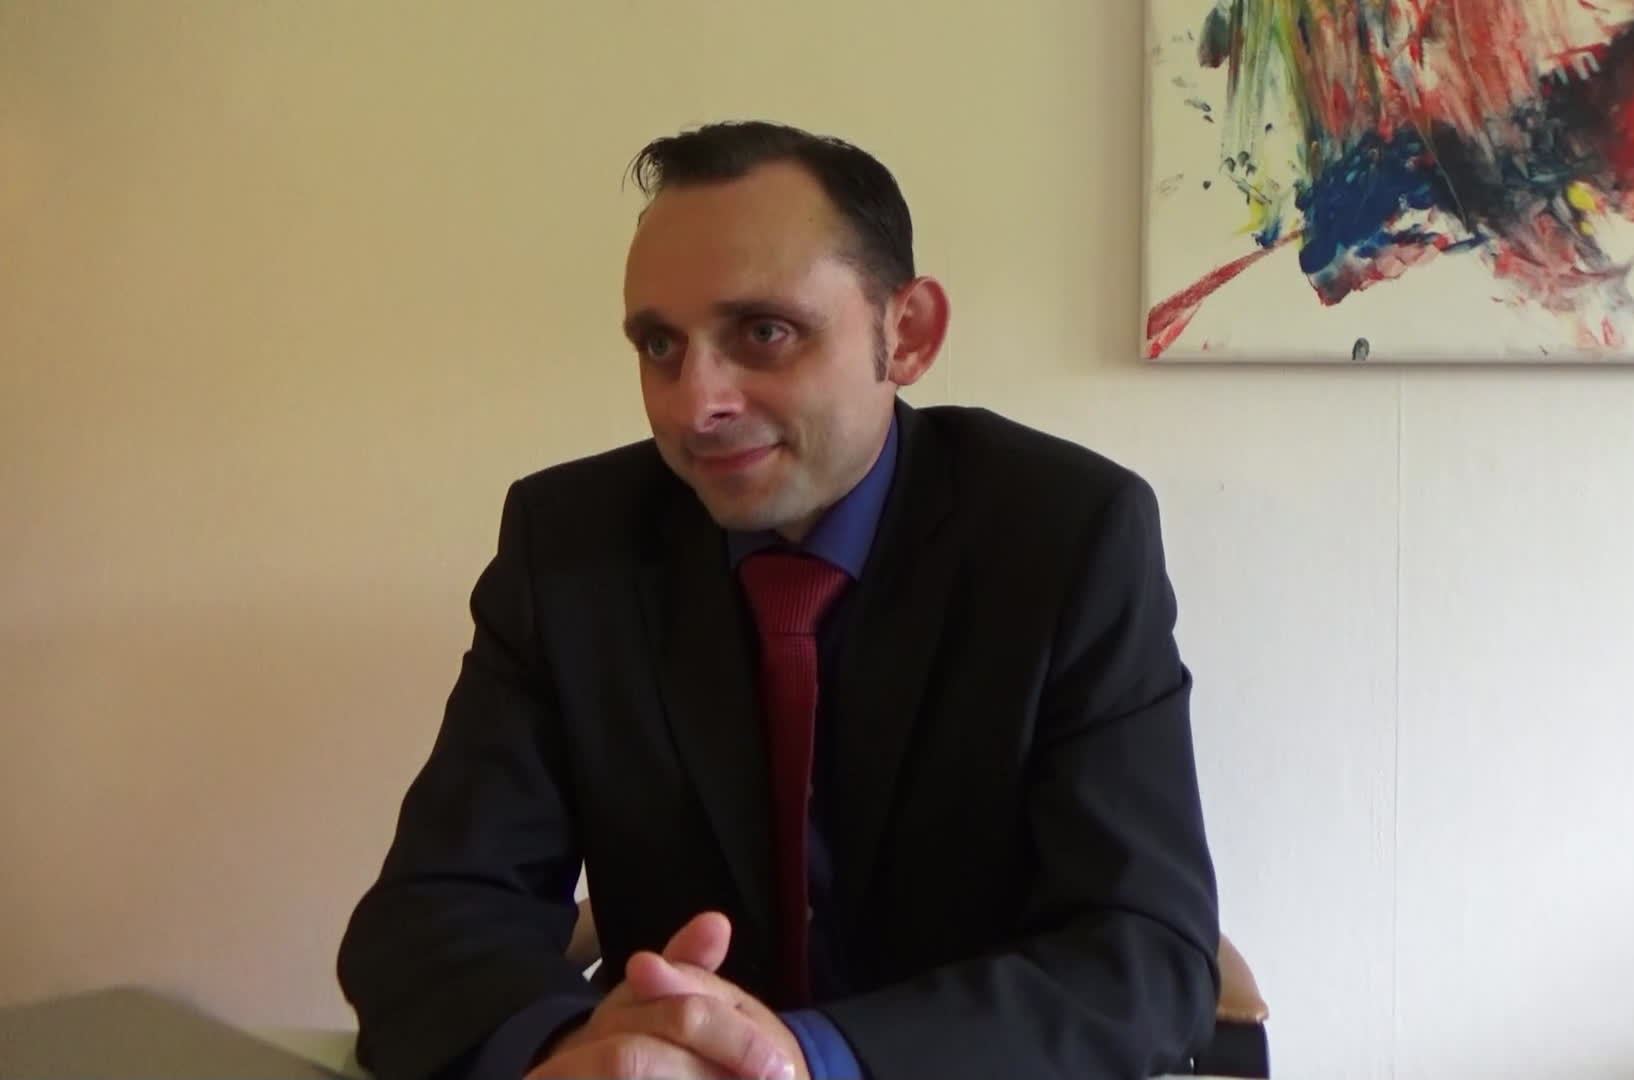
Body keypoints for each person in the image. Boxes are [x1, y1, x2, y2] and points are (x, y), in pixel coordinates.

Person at [337, 120, 1219, 1080]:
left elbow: (1143, 954)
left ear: (908, 333)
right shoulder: (570, 547)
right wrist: (574, 1048)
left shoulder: (1065, 536)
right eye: (660, 344)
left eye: (764, 333)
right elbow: (426, 920)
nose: (695, 404)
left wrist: (804, 1060)